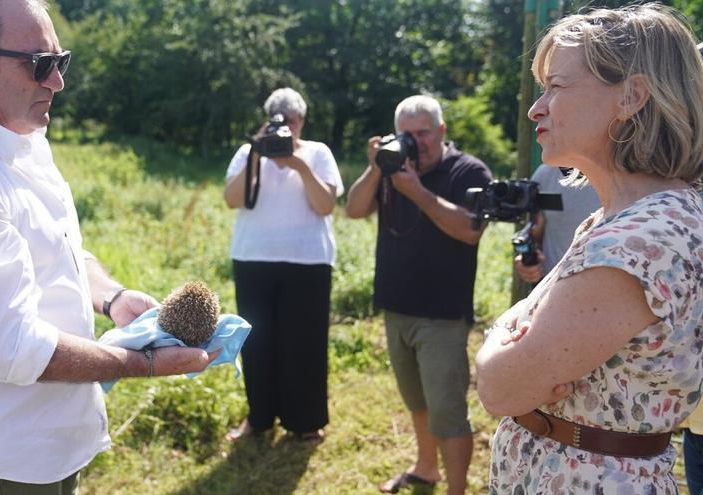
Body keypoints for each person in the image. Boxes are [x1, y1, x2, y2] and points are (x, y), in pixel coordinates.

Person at [0, 1, 217, 493]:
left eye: (60, 60)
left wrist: (111, 298)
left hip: (39, 442)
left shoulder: (16, 132)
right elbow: (15, 350)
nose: (57, 82)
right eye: (39, 65)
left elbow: (57, 248)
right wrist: (146, 363)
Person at [475, 4, 703, 493]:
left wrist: (499, 337)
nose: (537, 107)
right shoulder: (624, 218)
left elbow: (500, 388)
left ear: (632, 96)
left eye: (556, 86)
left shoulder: (639, 239)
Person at [345, 95, 492, 495]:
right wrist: (377, 169)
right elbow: (354, 209)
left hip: (442, 315)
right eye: (406, 135)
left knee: (448, 413)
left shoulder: (469, 171)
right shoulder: (392, 168)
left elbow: (471, 230)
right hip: (397, 308)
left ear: (442, 131)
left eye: (423, 133)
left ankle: (457, 490)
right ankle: (426, 468)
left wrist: (417, 193)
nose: (415, 142)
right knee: (417, 402)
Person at [222, 87, 344, 443]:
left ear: (301, 122)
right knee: (257, 343)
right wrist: (258, 155)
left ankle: (305, 422)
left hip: (308, 262)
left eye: (291, 121)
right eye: (278, 120)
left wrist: (298, 163)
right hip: (254, 259)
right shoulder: (248, 152)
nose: (285, 128)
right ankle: (258, 418)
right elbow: (232, 199)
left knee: (304, 344)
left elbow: (325, 205)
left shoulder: (318, 153)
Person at [513, 165, 600, 283]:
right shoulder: (545, 174)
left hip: (609, 291)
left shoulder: (627, 173)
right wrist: (528, 261)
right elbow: (536, 229)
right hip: (552, 288)